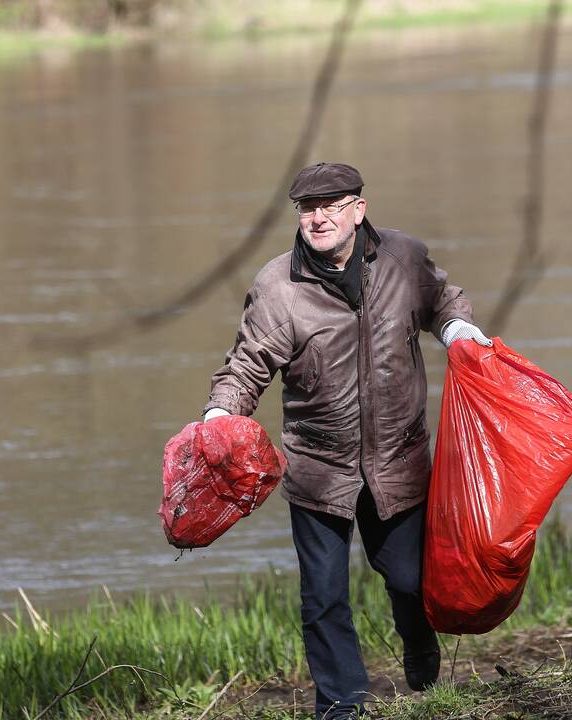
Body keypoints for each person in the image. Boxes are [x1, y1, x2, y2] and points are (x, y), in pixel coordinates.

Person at [202, 162, 492, 718]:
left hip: (398, 460)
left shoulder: (403, 258)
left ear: (358, 210)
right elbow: (247, 365)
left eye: (331, 206)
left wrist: (458, 331)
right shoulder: (277, 286)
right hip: (318, 468)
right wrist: (219, 415)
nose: (318, 218)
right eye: (308, 209)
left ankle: (421, 652)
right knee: (324, 597)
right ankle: (342, 705)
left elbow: (443, 300)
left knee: (410, 582)